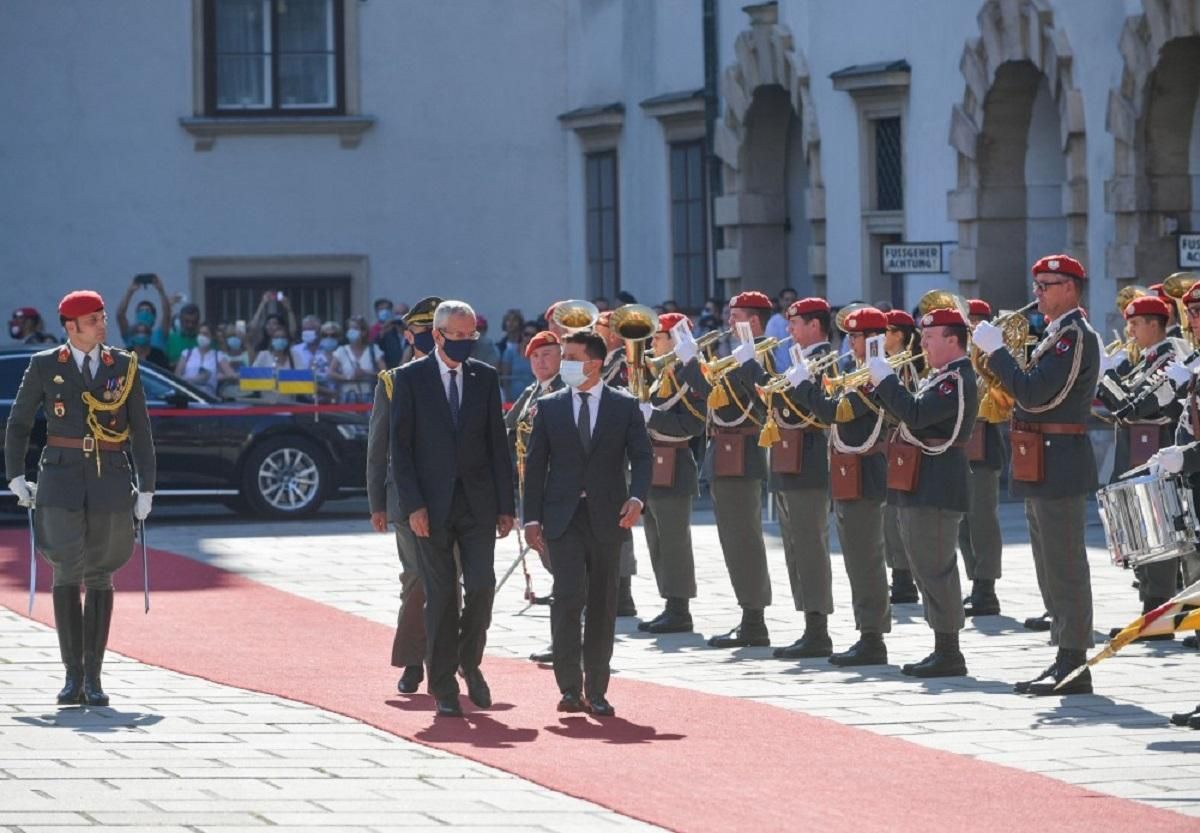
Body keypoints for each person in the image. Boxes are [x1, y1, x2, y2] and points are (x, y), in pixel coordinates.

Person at [5, 290, 155, 706]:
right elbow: (17, 424)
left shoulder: (122, 366)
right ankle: (72, 677)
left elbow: (140, 429)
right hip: (61, 479)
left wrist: (147, 487)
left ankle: (94, 677)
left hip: (109, 479)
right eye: (94, 320)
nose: (102, 324)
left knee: (101, 572)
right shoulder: (45, 364)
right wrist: (16, 476)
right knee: (67, 570)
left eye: (103, 317)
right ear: (71, 327)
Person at [974, 253, 1101, 695]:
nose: (1038, 293)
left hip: (1060, 458)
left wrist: (998, 352)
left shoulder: (1075, 336)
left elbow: (1036, 392)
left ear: (1070, 287)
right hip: (1039, 456)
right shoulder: (1054, 335)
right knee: (1048, 562)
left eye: (1047, 284)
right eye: (1037, 284)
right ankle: (1063, 654)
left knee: (1064, 563)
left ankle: (1075, 662)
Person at [390, 300, 514, 718]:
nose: (464, 343)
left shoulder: (484, 377)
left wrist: (506, 505)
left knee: (481, 586)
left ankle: (469, 660)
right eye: (456, 336)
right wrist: (413, 506)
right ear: (438, 335)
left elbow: (498, 445)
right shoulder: (408, 380)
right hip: (431, 507)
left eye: (470, 337)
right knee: (441, 597)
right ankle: (443, 685)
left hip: (478, 505)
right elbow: (400, 450)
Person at [523, 331, 652, 716]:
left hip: (608, 518)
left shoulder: (624, 407)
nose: (565, 364)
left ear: (594, 364)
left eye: (572, 357)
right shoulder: (549, 408)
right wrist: (531, 519)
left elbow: (643, 457)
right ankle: (568, 688)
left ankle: (597, 688)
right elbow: (534, 469)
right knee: (566, 598)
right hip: (561, 519)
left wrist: (637, 497)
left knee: (602, 602)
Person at [868, 306, 978, 677]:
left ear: (952, 340)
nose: (924, 344)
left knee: (935, 566)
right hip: (922, 478)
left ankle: (950, 650)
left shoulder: (956, 378)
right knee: (923, 563)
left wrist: (886, 381)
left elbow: (915, 414)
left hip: (938, 480)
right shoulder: (941, 376)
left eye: (930, 338)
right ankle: (941, 645)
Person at [788, 306, 891, 666]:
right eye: (849, 335)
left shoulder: (876, 373)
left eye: (857, 336)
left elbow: (837, 413)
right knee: (855, 556)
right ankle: (866, 634)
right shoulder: (852, 369)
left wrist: (804, 387)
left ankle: (873, 638)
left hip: (866, 469)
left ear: (873, 338)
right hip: (846, 467)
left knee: (866, 558)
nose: (850, 342)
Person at [1095, 293, 1185, 639]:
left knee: (1158, 533)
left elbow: (1133, 408)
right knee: (1141, 535)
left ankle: (1159, 617)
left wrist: (1106, 379)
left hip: (1155, 452)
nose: (1129, 331)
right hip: (1135, 454)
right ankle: (1149, 611)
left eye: (1134, 324)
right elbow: (1124, 402)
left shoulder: (1168, 358)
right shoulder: (1145, 358)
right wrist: (1112, 378)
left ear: (1154, 324)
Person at [368, 296, 440, 695]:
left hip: (453, 496)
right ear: (410, 336)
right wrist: (377, 501)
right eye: (424, 332)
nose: (431, 338)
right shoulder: (393, 380)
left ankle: (446, 659)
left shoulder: (465, 376)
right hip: (405, 496)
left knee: (451, 580)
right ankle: (413, 661)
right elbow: (378, 446)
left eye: (437, 331)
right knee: (416, 578)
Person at [696, 291, 775, 648]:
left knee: (743, 539)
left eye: (737, 315)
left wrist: (691, 366)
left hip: (742, 452)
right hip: (726, 451)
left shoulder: (761, 354)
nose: (729, 322)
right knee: (733, 539)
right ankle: (749, 615)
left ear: (754, 321)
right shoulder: (741, 354)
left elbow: (756, 398)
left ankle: (755, 620)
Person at [765, 299, 836, 658]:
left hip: (810, 464)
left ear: (815, 326)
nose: (789, 329)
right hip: (789, 461)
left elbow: (820, 412)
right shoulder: (799, 361)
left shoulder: (827, 361)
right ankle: (809, 623)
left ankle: (818, 628)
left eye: (796, 323)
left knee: (809, 547)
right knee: (795, 548)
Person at [638, 314, 709, 634]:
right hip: (651, 462)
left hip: (675, 463)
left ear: (676, 339)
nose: (653, 342)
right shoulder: (661, 373)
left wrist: (651, 417)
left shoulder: (691, 376)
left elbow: (692, 425)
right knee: (656, 540)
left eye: (659, 336)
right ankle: (669, 603)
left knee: (673, 541)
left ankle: (680, 609)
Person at [504, 329, 565, 663]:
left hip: (556, 490)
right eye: (535, 357)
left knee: (564, 570)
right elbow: (506, 429)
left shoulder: (564, 391)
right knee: (552, 563)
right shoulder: (531, 392)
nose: (541, 362)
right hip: (533, 490)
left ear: (561, 357)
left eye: (547, 355)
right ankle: (566, 641)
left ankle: (568, 643)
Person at [958, 299, 1007, 618]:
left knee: (982, 520)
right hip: (960, 447)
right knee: (963, 522)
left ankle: (986, 586)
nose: (972, 329)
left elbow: (1003, 403)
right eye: (968, 324)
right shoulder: (959, 361)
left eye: (976, 323)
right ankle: (975, 579)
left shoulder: (994, 360)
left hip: (985, 447)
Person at [880, 309, 921, 605]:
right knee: (888, 515)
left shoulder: (909, 368)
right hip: (886, 445)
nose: (879, 337)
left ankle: (905, 578)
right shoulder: (887, 365)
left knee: (897, 514)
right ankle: (900, 576)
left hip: (901, 446)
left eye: (884, 331)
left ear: (898, 334)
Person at [333, 315, 385, 403]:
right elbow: (331, 372)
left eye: (355, 328)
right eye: (349, 328)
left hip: (369, 396)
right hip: (347, 396)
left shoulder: (373, 349)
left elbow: (385, 372)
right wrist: (347, 378)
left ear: (363, 332)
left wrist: (366, 373)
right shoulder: (341, 350)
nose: (351, 331)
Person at [175, 323, 234, 397]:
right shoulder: (187, 354)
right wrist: (195, 379)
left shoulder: (218, 355)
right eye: (200, 333)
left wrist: (219, 376)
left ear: (212, 337)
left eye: (205, 334)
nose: (202, 336)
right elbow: (176, 377)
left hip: (208, 398)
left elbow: (232, 375)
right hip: (188, 396)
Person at [115, 274, 172, 351]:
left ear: (153, 317)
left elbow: (167, 314)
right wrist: (130, 292)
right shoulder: (130, 335)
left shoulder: (160, 335)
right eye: (141, 311)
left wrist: (161, 290)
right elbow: (120, 315)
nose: (144, 313)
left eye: (147, 311)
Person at [502, 323, 539, 403]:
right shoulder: (510, 352)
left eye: (533, 335)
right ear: (522, 334)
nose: (529, 337)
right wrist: (507, 398)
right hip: (512, 400)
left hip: (532, 400)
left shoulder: (540, 355)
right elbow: (505, 378)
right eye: (526, 334)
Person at [765, 287, 797, 370]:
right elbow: (770, 349)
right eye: (787, 300)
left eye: (793, 300)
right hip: (780, 372)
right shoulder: (773, 322)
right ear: (781, 301)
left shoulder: (801, 321)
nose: (790, 302)